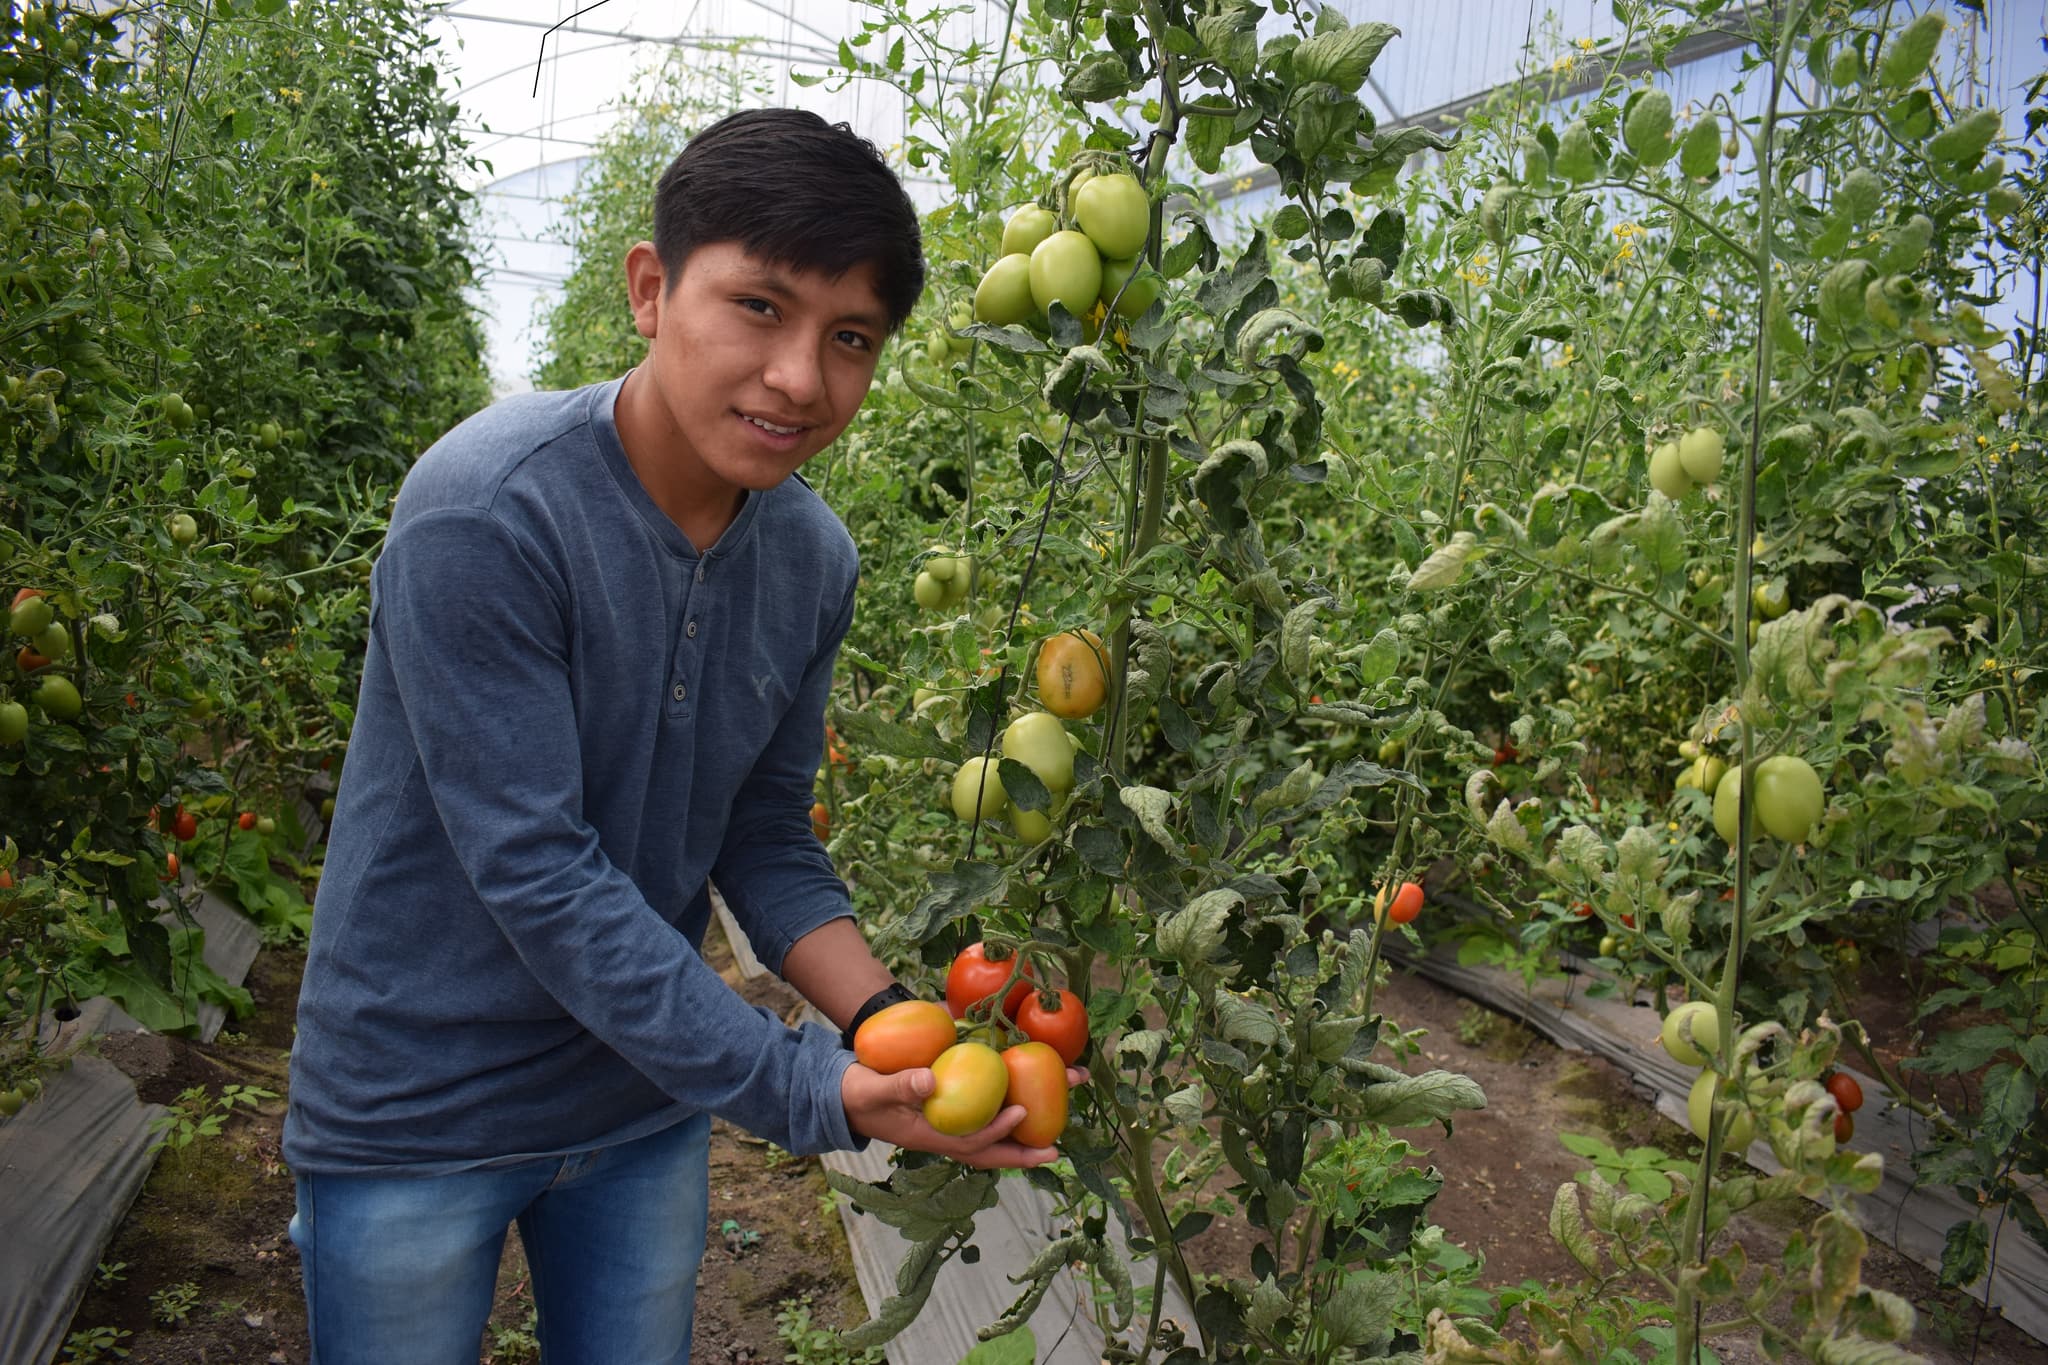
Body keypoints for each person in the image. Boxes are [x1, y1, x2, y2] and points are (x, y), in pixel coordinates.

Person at [282, 108, 1078, 1364]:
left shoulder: (811, 558)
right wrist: (805, 1087)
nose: (800, 379)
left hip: (639, 1097)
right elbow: (537, 872)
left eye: (850, 337)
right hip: (415, 1107)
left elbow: (761, 837)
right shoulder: (486, 513)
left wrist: (885, 1026)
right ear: (650, 290)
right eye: (758, 307)